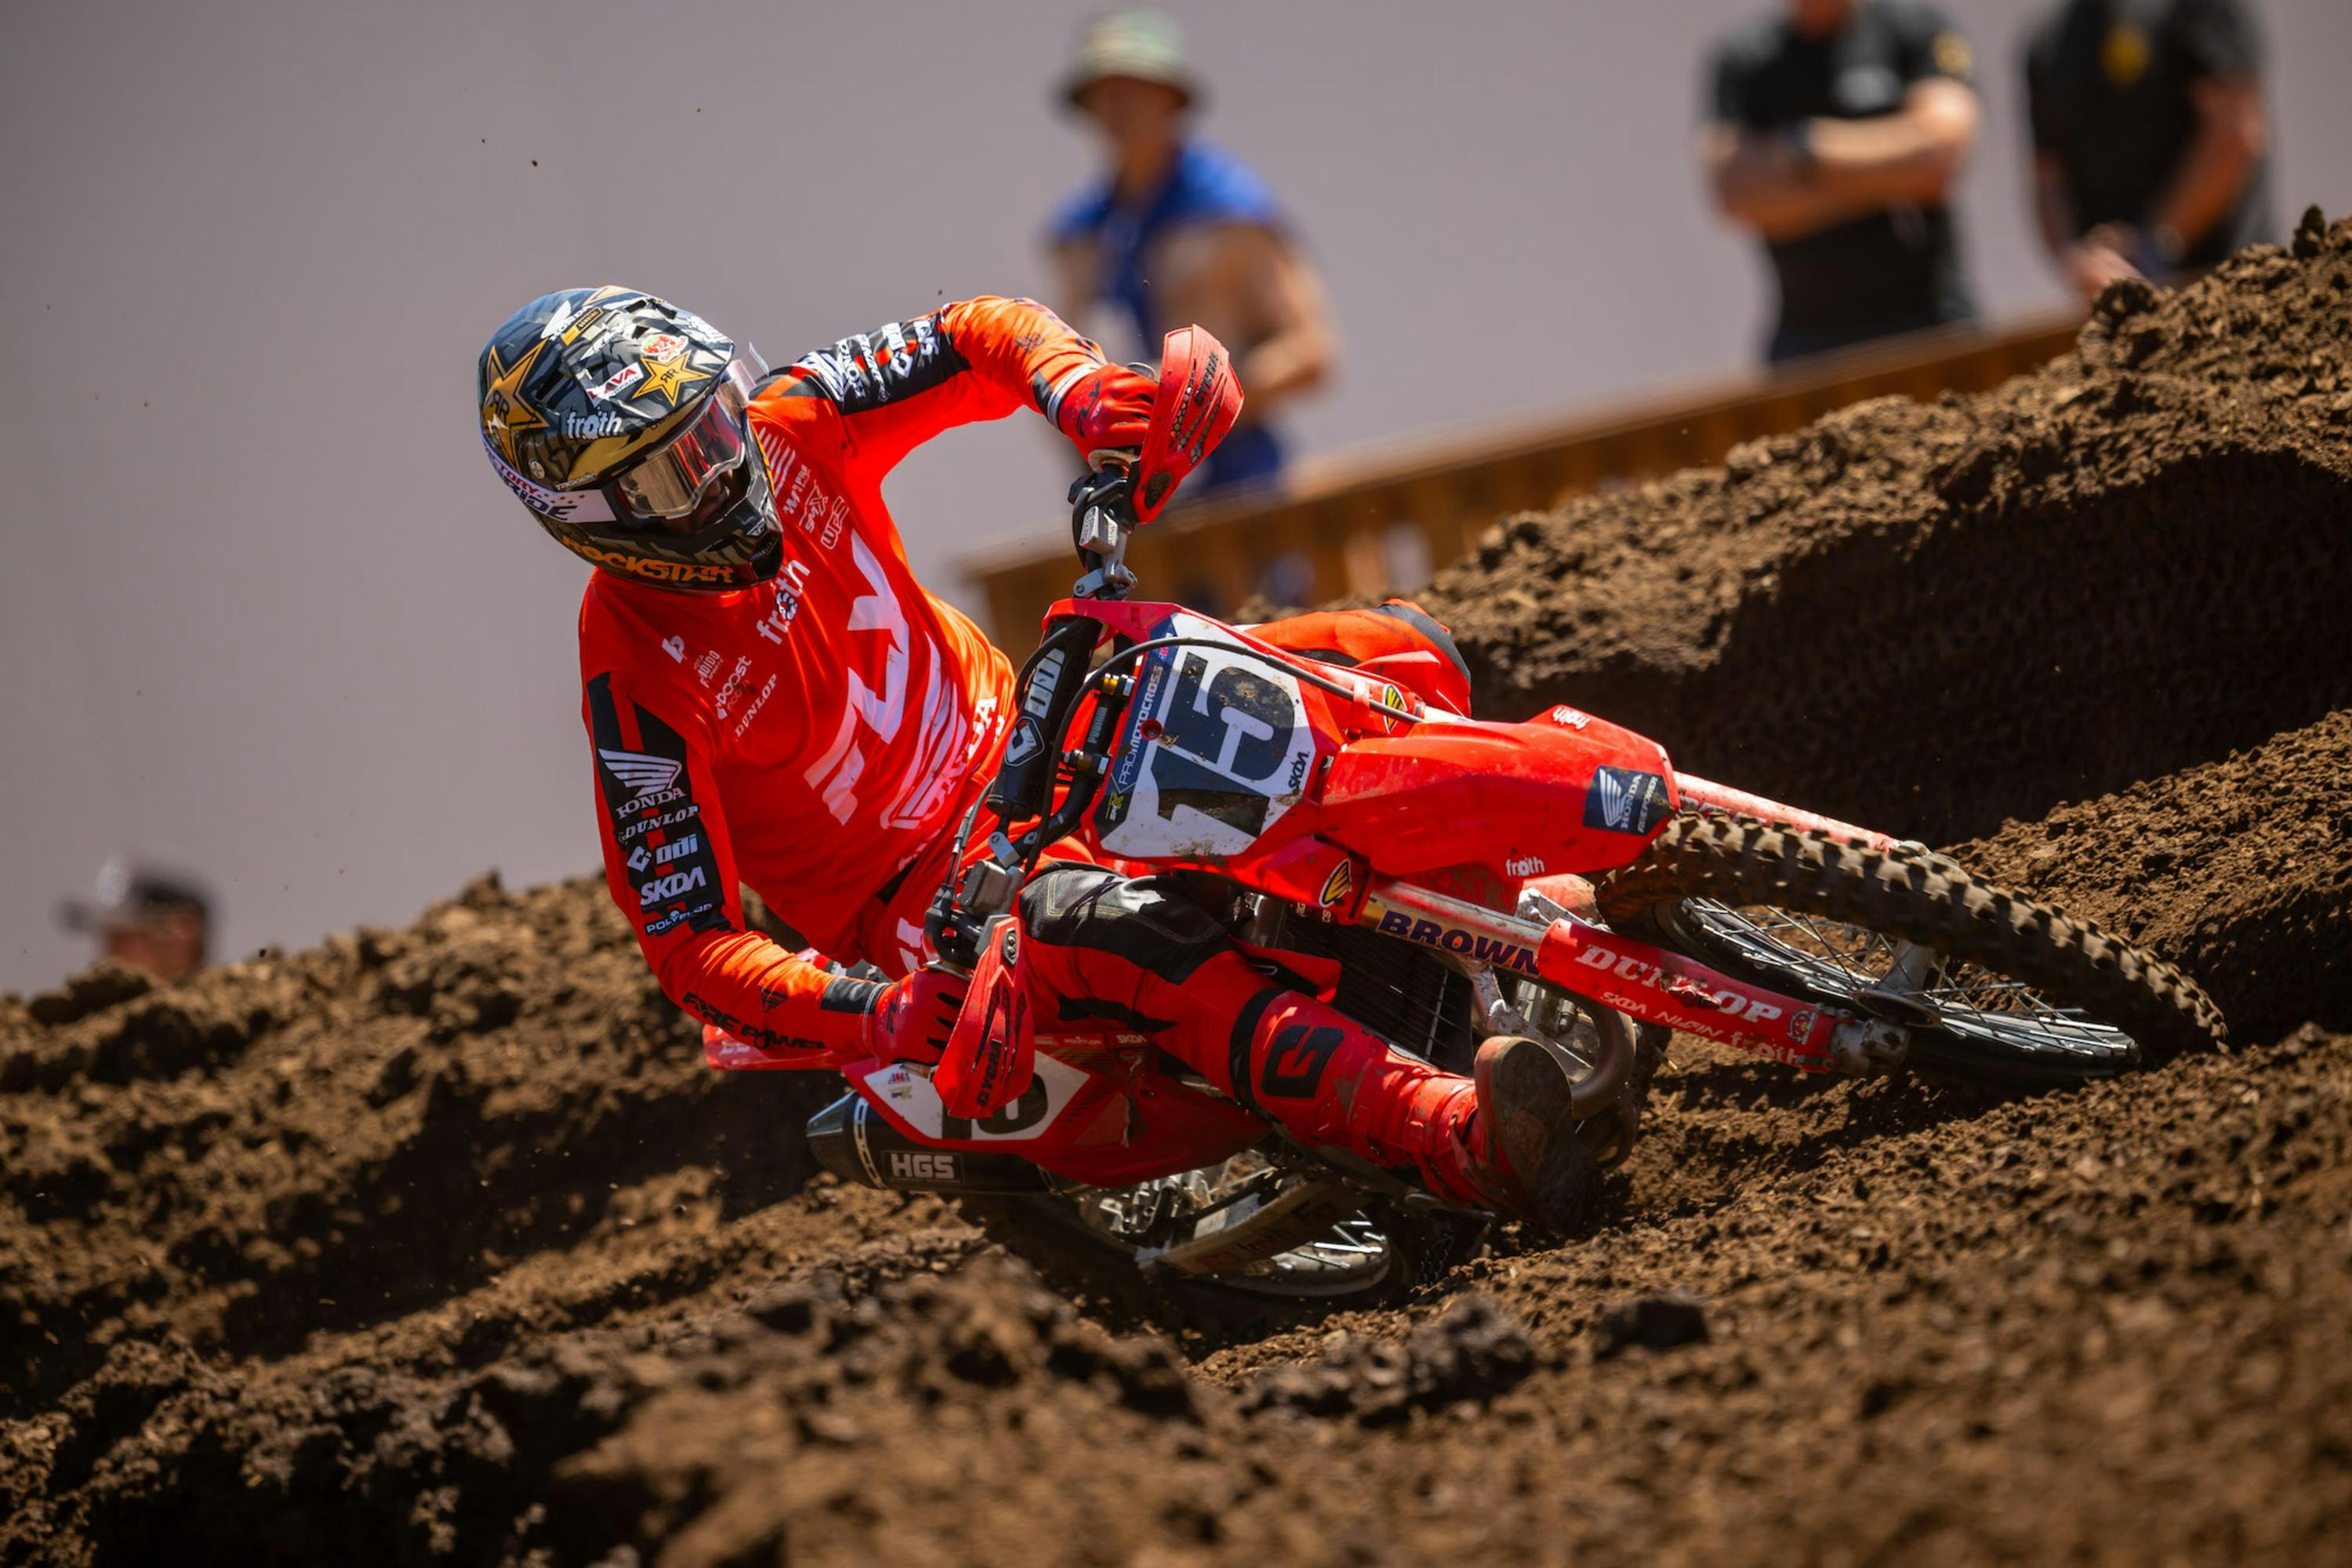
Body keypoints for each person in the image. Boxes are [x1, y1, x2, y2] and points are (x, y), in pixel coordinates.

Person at [474, 287, 1588, 1232]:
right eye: (676, 474)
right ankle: (1448, 1134)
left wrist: (1083, 390)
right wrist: (875, 1010)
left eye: (715, 422)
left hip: (1034, 734)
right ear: (592, 517)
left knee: (1378, 655)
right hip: (921, 902)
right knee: (1121, 931)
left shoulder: (793, 422)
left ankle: (1532, 895)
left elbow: (971, 334)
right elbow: (689, 941)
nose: (726, 469)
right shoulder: (633, 672)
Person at [1044, 11, 1336, 495]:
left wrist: (1188, 405)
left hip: (1240, 481)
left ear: (1171, 97)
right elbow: (1057, 367)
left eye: (1134, 88)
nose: (1119, 107)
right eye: (1105, 92)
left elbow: (1311, 351)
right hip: (1130, 490)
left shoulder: (1230, 210)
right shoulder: (1083, 235)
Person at [1700, 0, 1983, 363]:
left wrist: (1805, 150)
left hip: (1931, 321)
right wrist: (1890, 173)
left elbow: (1940, 157)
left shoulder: (1914, 26)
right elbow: (1735, 194)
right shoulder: (1744, 59)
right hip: (1806, 343)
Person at [2024, 0, 2272, 299]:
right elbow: (2048, 178)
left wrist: (2154, 245)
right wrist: (2078, 259)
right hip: (2122, 308)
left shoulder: (2199, 9)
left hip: (2234, 291)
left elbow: (2237, 134)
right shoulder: (2048, 44)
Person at [57, 856, 212, 983]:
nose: (107, 956)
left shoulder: (220, 1010)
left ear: (183, 930)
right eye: (106, 937)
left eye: (122, 937)